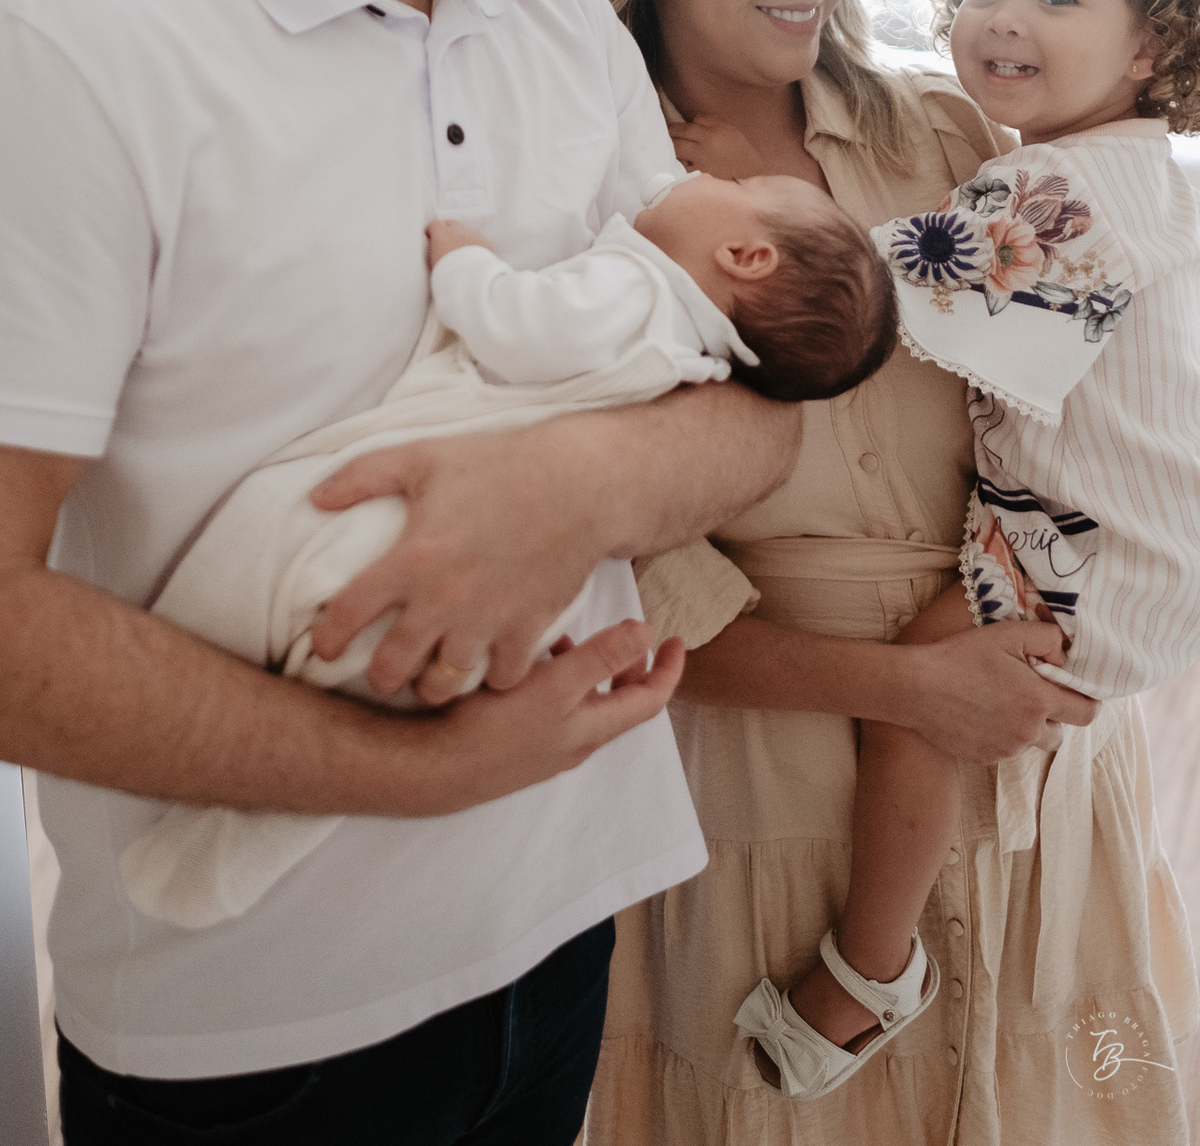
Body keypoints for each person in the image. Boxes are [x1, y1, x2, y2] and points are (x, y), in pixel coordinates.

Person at [0, 0, 819, 1146]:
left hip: (558, 927)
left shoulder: (562, 37)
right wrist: (419, 770)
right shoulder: (65, 59)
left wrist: (574, 482)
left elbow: (756, 409)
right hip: (259, 1033)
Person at [569, 0, 1195, 1145]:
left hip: (1034, 757)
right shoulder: (601, 196)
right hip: (769, 785)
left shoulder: (955, 137)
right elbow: (610, 578)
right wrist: (908, 688)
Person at [119, 173, 897, 932]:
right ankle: (229, 845)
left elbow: (521, 329)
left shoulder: (640, 291)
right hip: (506, 576)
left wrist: (465, 261)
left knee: (270, 579)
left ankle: (210, 802)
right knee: (349, 675)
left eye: (739, 182)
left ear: (746, 256)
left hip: (426, 515)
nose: (699, 173)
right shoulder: (697, 360)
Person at [733, 0, 1200, 1100]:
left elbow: (876, 291)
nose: (1002, 18)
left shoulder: (1060, 192)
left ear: (1154, 43)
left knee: (923, 688)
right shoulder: (1135, 173)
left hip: (1095, 553)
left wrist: (712, 231)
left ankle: (871, 968)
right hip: (1127, 543)